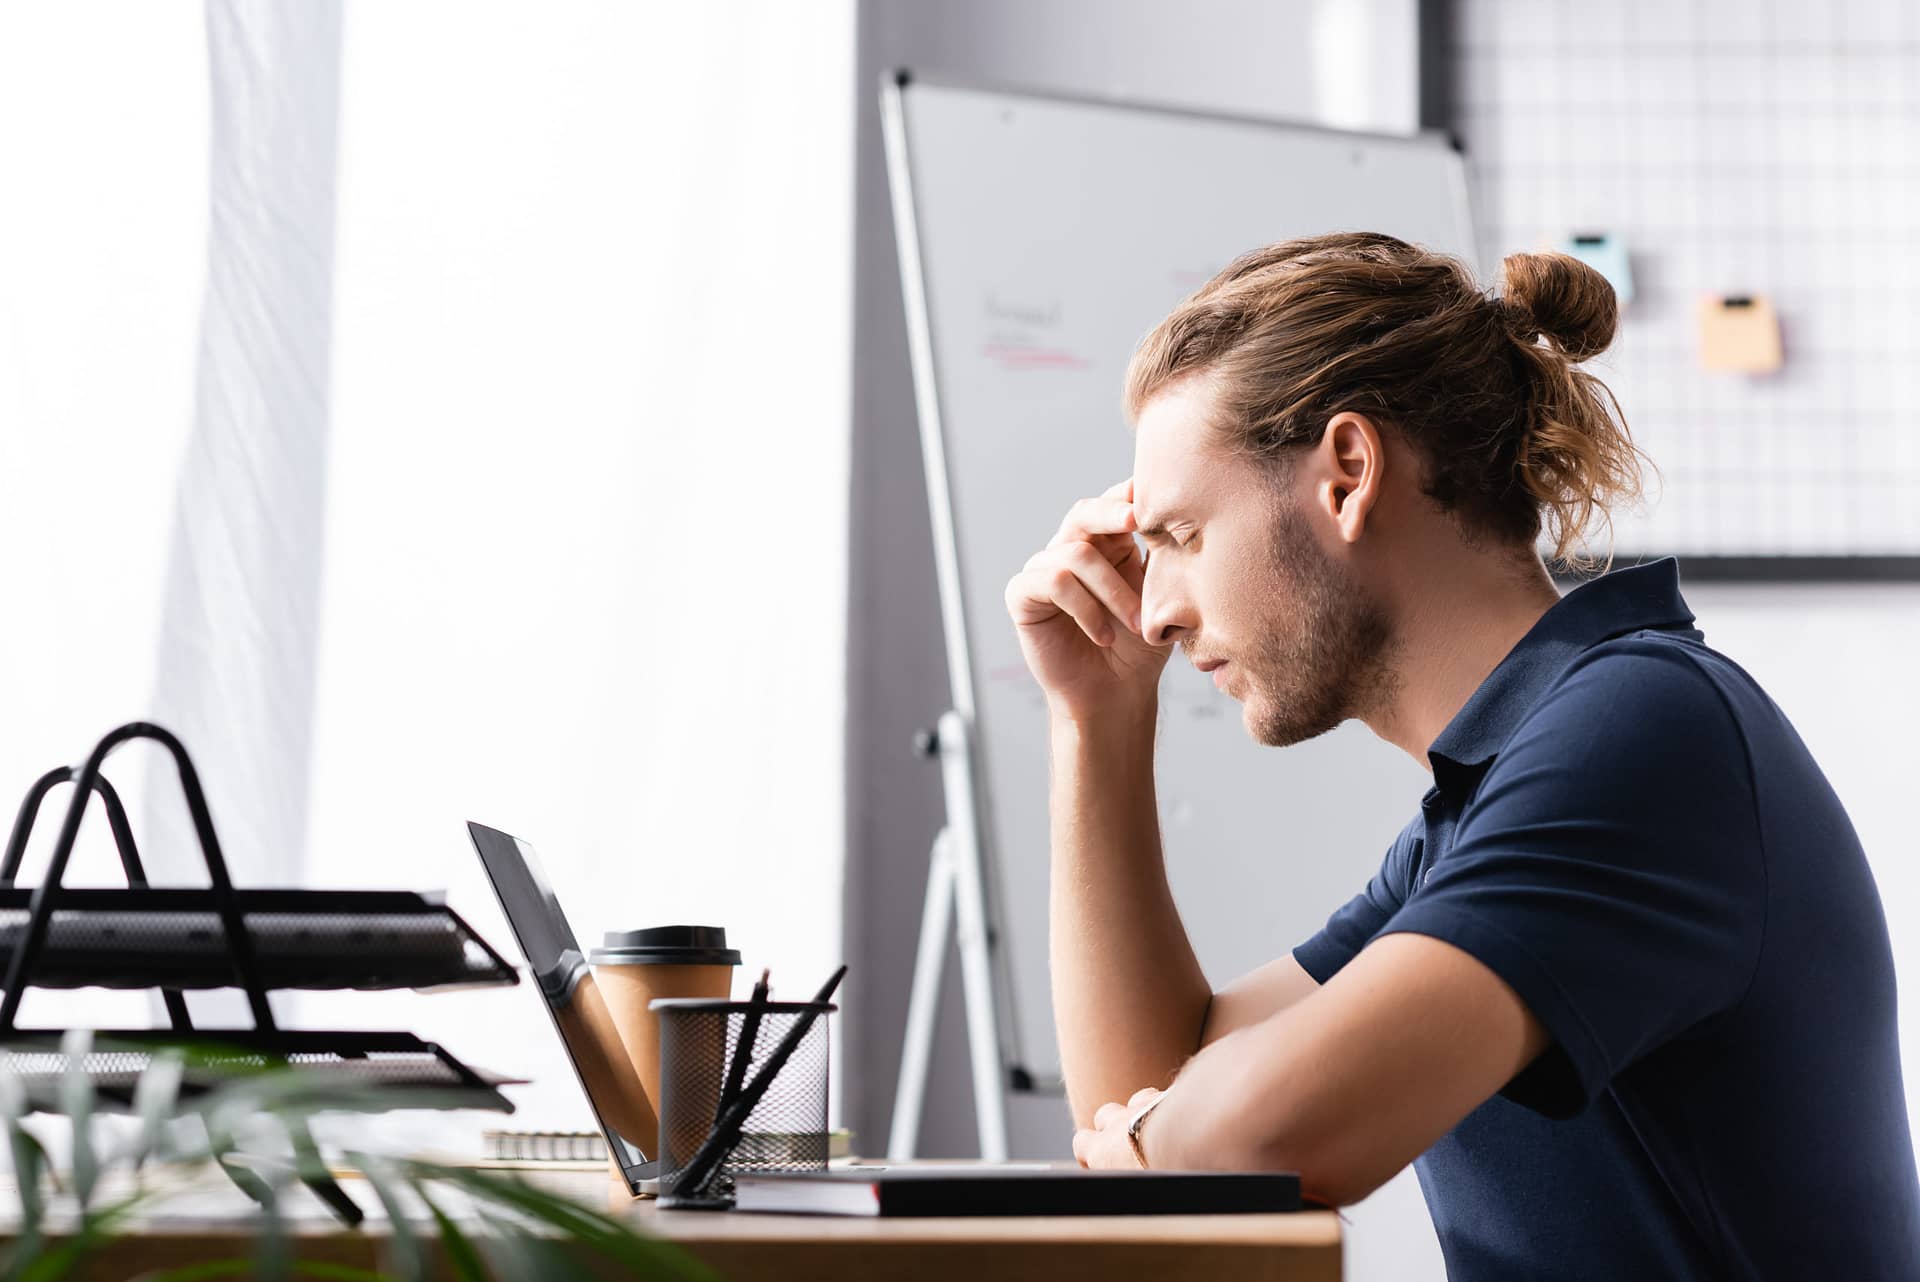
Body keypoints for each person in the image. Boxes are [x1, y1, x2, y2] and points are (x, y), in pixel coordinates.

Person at [1005, 232, 1919, 1279]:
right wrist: (1096, 718)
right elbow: (1155, 1086)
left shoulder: (1643, 734)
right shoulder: (1485, 803)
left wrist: (1168, 1144)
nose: (1155, 612)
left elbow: (1266, 1140)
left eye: (1182, 535)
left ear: (1347, 473)